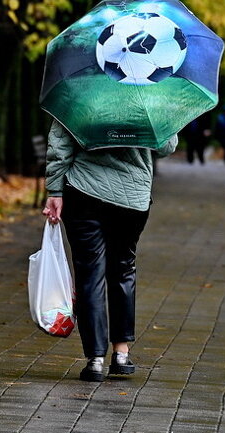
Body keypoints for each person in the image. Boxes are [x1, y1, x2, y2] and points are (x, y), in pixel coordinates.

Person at [42, 121, 178, 382]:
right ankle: (121, 354)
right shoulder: (149, 100)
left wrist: (55, 190)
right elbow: (166, 146)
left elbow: (60, 146)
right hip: (132, 197)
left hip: (84, 190)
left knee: (89, 275)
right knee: (123, 269)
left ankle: (94, 360)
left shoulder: (79, 97)